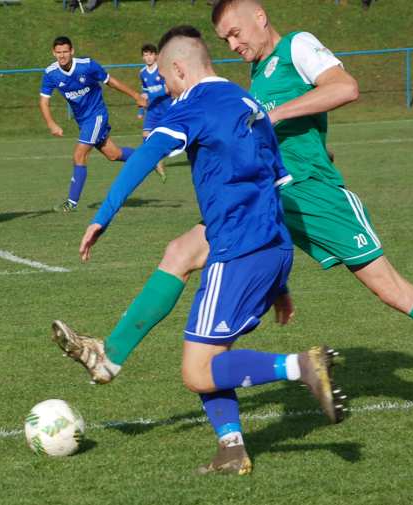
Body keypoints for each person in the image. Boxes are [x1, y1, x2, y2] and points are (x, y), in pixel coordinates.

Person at [52, 0, 413, 429]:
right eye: (225, 41)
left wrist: (274, 116)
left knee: (395, 291)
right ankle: (109, 356)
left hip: (314, 197)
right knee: (179, 250)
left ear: (259, 16)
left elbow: (345, 87)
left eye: (237, 33)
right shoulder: (255, 80)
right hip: (266, 202)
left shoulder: (298, 47)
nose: (234, 44)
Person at [62, 26, 345, 475]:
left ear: (178, 68)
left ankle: (301, 367)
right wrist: (281, 283)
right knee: (180, 256)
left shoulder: (193, 106)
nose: (168, 91)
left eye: (168, 81)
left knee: (197, 371)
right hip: (270, 246)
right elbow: (275, 188)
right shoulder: (248, 102)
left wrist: (104, 215)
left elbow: (141, 157)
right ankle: (229, 447)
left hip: (236, 250)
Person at [39, 36, 147, 212]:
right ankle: (149, 158)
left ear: (72, 51)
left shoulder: (87, 65)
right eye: (58, 52)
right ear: (53, 53)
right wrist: (51, 123)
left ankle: (71, 203)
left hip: (97, 116)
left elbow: (110, 81)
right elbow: (43, 101)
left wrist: (136, 96)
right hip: (83, 121)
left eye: (65, 51)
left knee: (79, 155)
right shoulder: (51, 74)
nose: (62, 56)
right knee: (114, 154)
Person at [138, 43, 169, 182]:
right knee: (146, 137)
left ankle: (159, 160)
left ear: (156, 56)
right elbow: (144, 93)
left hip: (167, 110)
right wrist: (141, 109)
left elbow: (168, 88)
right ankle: (157, 165)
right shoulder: (142, 73)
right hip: (152, 111)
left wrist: (150, 95)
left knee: (167, 139)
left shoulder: (162, 70)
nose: (148, 57)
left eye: (151, 54)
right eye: (145, 55)